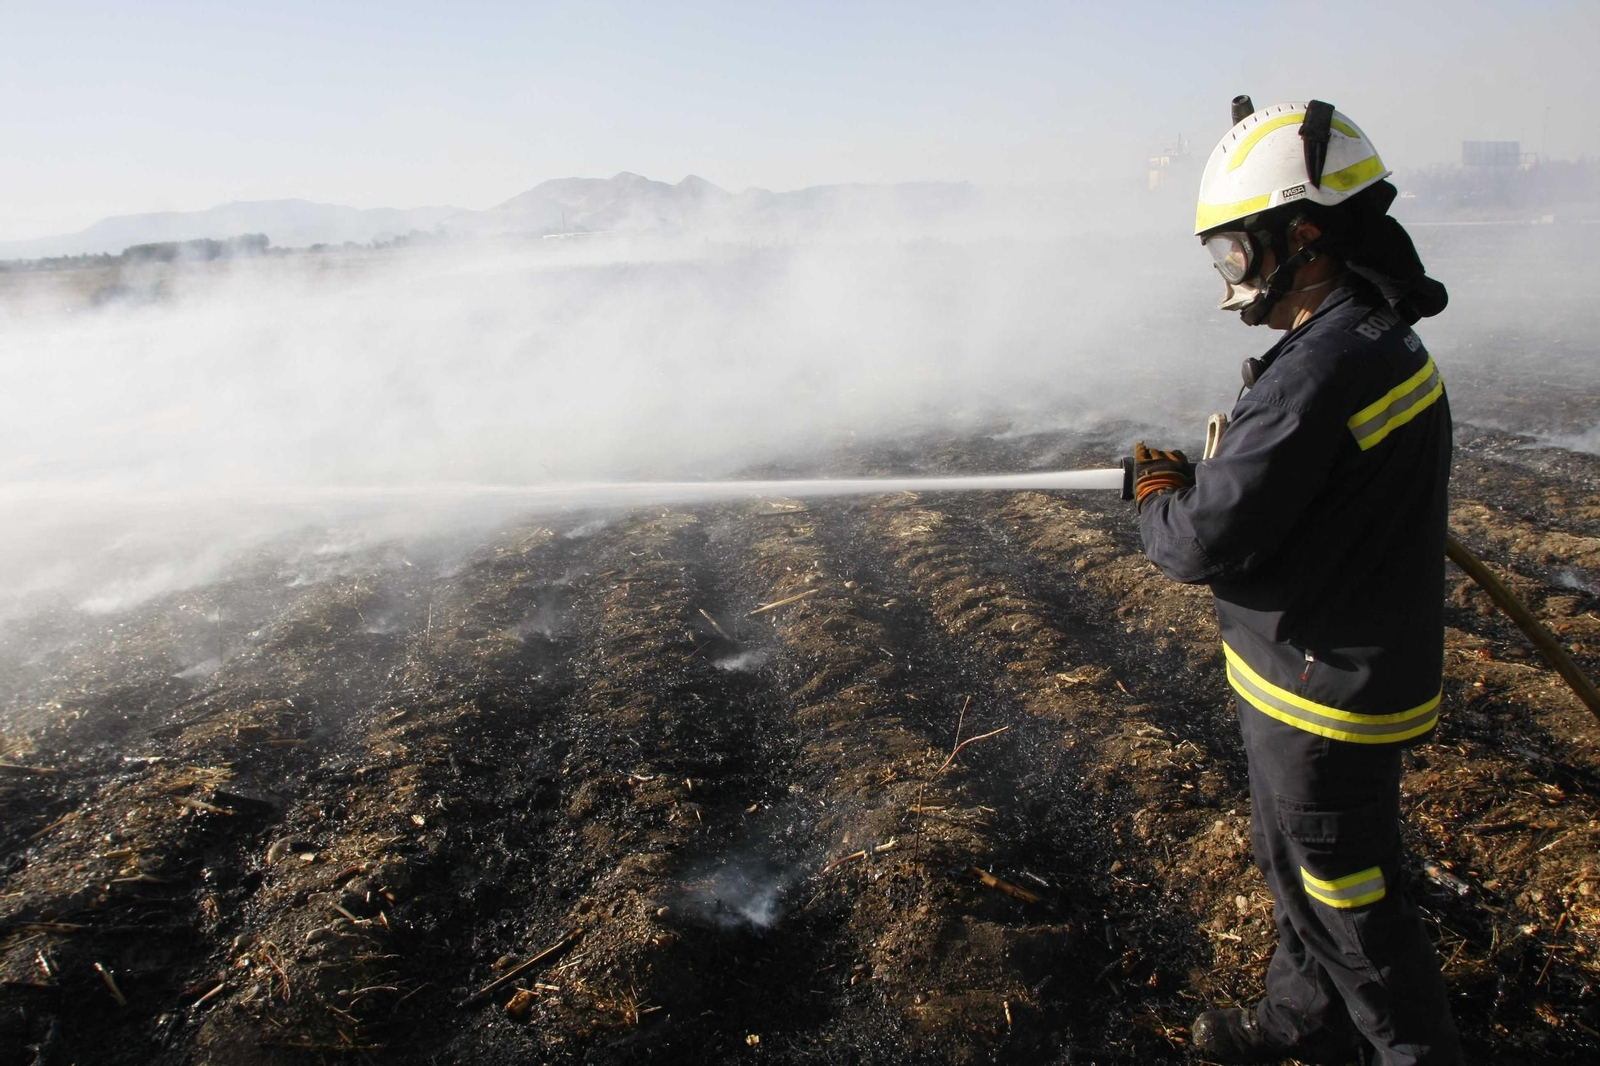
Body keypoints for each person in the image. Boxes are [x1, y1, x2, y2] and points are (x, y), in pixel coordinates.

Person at [1132, 98, 1463, 1065]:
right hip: (1329, 673)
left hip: (1322, 699)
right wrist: (1222, 474)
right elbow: (1293, 487)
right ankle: (1297, 1029)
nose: (1230, 275)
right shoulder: (1369, 334)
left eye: (1236, 251)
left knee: (1354, 911)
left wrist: (1159, 492)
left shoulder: (1321, 370)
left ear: (1304, 236)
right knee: (1304, 878)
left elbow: (1198, 543)